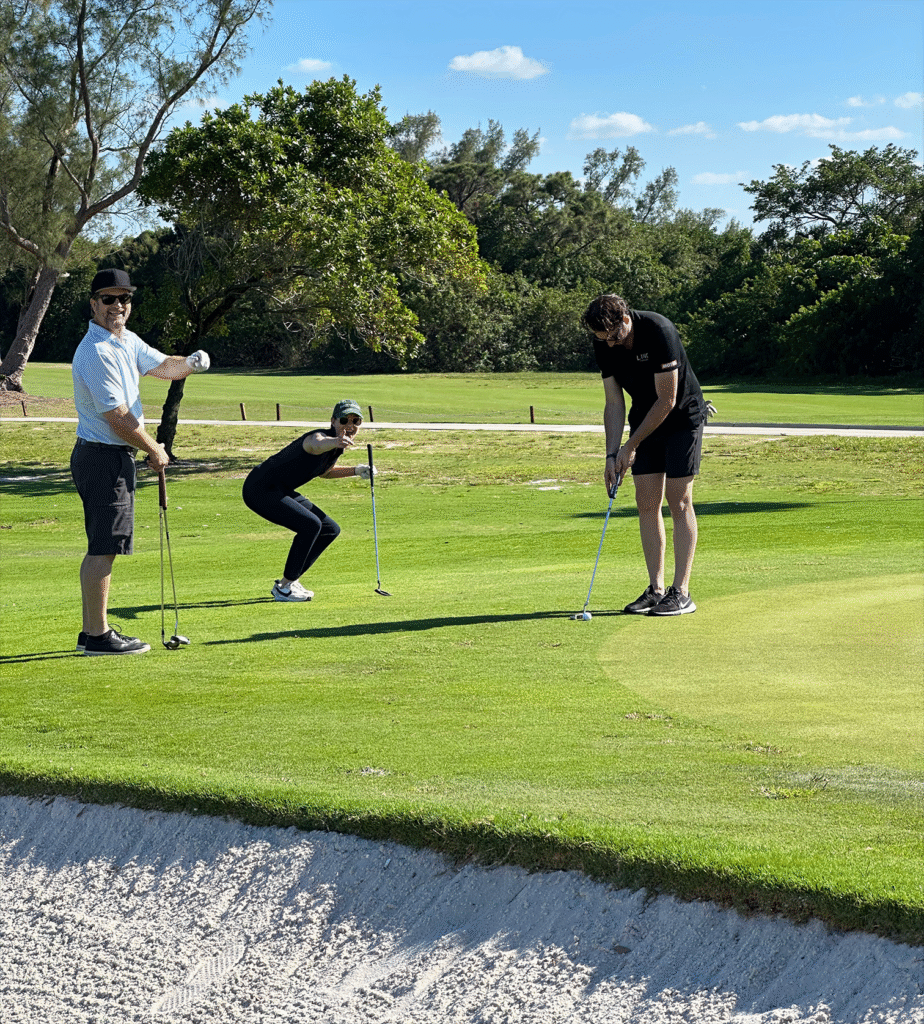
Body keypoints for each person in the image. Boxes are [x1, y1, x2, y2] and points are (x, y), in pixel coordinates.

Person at [71, 268, 210, 655]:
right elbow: (116, 417)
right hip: (102, 456)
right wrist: (154, 447)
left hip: (110, 456)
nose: (118, 306)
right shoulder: (96, 351)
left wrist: (192, 364)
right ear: (94, 303)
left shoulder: (124, 340)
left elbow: (163, 367)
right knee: (104, 546)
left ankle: (91, 632)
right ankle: (97, 637)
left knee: (105, 544)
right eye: (109, 299)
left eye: (124, 299)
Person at [583, 293, 713, 616]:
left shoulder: (659, 330)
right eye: (603, 339)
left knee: (678, 498)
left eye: (613, 337)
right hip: (645, 416)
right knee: (646, 500)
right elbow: (614, 403)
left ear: (625, 319)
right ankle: (656, 590)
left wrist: (631, 445)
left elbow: (667, 400)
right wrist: (612, 454)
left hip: (682, 416)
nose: (609, 345)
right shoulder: (604, 343)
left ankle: (681, 592)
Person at [242, 400, 375, 602]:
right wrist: (336, 442)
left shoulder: (336, 447)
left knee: (330, 528)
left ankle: (290, 581)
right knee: (310, 525)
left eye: (356, 421)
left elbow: (325, 472)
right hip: (260, 488)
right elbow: (315, 444)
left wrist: (356, 470)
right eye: (344, 419)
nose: (350, 425)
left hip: (280, 489)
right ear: (333, 421)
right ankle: (284, 588)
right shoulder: (320, 438)